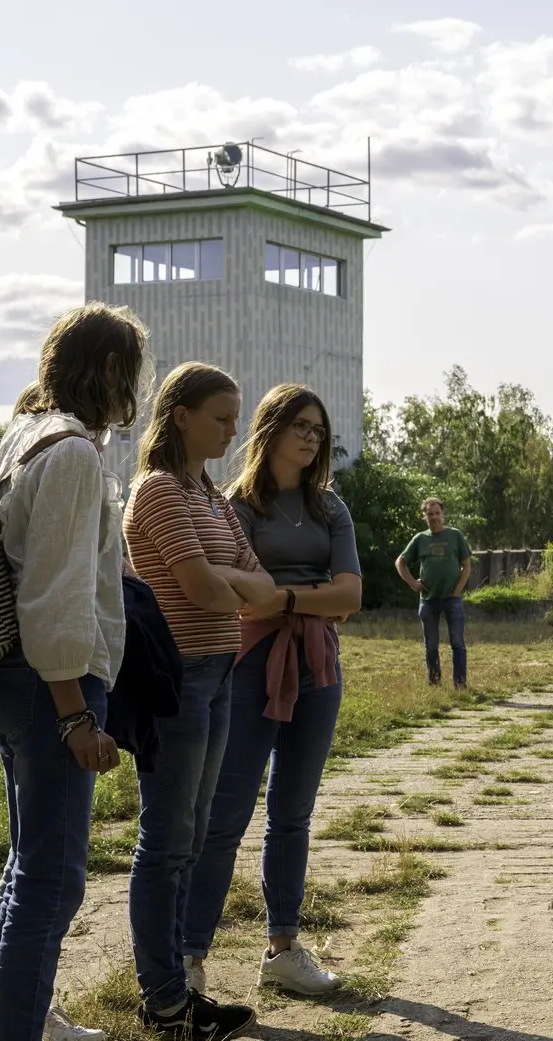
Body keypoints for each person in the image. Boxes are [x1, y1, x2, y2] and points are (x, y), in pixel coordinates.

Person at [0, 303, 143, 1041]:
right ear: (109, 369)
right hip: (50, 684)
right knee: (53, 877)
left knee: (29, 868)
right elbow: (56, 595)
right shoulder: (71, 453)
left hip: (8, 675)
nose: (130, 388)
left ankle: (21, 1040)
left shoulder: (24, 433)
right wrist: (75, 712)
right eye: (129, 371)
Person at [182, 385, 363, 997]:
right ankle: (189, 959)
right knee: (224, 815)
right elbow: (231, 589)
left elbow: (351, 596)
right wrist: (304, 595)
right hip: (249, 661)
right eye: (301, 426)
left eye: (319, 427)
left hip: (317, 665)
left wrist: (283, 596)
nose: (313, 437)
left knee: (293, 814)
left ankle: (282, 948)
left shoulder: (330, 507)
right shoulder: (235, 504)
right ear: (271, 430)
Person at [123, 362, 272, 1041]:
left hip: (220, 670)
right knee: (167, 838)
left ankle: (179, 991)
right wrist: (233, 580)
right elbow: (210, 591)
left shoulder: (210, 497)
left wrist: (232, 579)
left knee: (196, 831)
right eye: (220, 417)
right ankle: (163, 1001)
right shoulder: (158, 492)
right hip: (176, 676)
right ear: (179, 414)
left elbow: (261, 586)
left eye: (236, 417)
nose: (232, 430)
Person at [395, 498, 471, 688]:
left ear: (442, 514)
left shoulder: (455, 535)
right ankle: (434, 684)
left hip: (452, 599)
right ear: (424, 516)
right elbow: (400, 562)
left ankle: (460, 685)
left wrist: (457, 591)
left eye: (437, 513)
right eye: (430, 514)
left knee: (458, 643)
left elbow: (467, 565)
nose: (434, 517)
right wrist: (412, 582)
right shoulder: (420, 539)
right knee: (431, 646)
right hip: (428, 600)